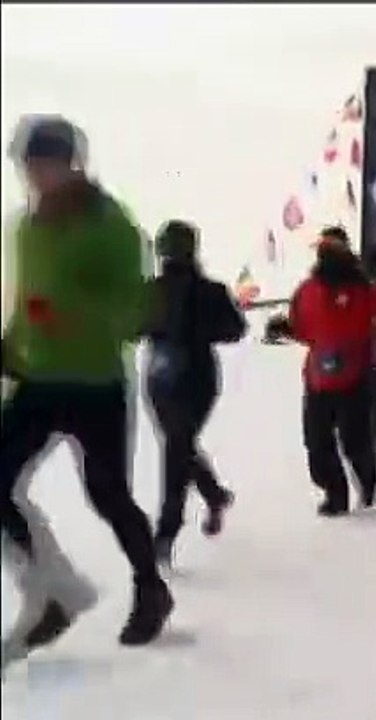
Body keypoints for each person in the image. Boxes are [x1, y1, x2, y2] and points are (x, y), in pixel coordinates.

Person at [0, 116, 172, 667]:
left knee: (107, 493)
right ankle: (50, 590)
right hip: (37, 378)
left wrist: (68, 314)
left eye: (44, 166)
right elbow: (27, 302)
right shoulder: (27, 229)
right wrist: (9, 343)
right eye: (28, 168)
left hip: (95, 381)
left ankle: (151, 588)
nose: (35, 178)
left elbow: (133, 313)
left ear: (72, 164)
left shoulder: (113, 228)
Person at [142, 220, 246, 568]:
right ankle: (214, 495)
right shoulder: (206, 290)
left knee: (177, 447)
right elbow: (235, 328)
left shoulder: (158, 291)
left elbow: (235, 329)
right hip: (191, 379)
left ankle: (166, 533)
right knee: (179, 445)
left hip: (169, 379)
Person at [273, 226, 376, 516]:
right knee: (317, 443)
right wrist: (284, 329)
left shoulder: (365, 290)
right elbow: (302, 328)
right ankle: (335, 494)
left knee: (354, 440)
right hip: (319, 379)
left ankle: (367, 480)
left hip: (355, 377)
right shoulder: (307, 290)